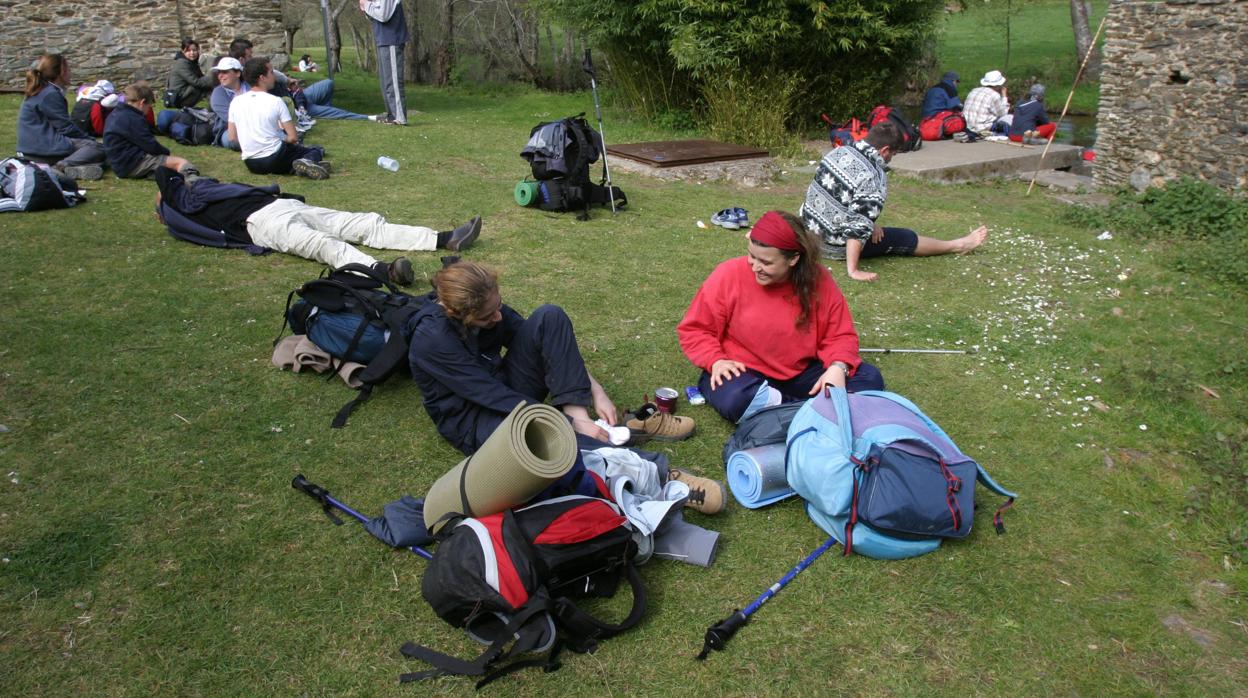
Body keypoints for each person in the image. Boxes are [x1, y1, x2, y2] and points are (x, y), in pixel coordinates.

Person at [678, 211, 884, 425]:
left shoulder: (819, 280)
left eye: (766, 262)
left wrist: (838, 367)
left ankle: (786, 413)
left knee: (869, 378)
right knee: (735, 399)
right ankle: (823, 412)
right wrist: (716, 360)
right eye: (752, 256)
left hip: (801, 373)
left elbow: (840, 334)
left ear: (794, 259)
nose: (755, 266)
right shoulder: (728, 274)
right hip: (743, 373)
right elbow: (696, 329)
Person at [153, 165, 482, 282]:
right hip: (260, 224)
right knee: (325, 247)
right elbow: (166, 173)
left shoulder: (203, 190)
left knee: (360, 223)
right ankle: (384, 272)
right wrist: (167, 199)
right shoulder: (182, 207)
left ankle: (444, 238)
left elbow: (183, 172)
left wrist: (190, 178)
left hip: (280, 205)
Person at [800, 121, 989, 282]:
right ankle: (958, 245)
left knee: (872, 227)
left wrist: (870, 224)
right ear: (884, 151)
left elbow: (832, 196)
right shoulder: (873, 176)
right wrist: (853, 270)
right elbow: (857, 227)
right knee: (903, 237)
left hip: (810, 236)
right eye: (894, 154)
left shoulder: (838, 152)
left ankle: (956, 244)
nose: (891, 159)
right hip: (833, 246)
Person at [228, 58, 330, 179]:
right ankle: (308, 163)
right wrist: (283, 140)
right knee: (315, 150)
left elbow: (233, 137)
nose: (274, 77)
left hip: (251, 163)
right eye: (271, 72)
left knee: (293, 152)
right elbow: (292, 137)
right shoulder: (276, 101)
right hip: (274, 158)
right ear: (262, 77)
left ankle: (302, 166)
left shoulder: (236, 102)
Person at [230, 38, 372, 122]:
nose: (252, 57)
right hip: (295, 105)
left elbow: (276, 74)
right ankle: (368, 118)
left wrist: (288, 80)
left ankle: (321, 110)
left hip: (297, 96)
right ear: (241, 59)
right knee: (338, 113)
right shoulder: (248, 81)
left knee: (328, 84)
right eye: (250, 55)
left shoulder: (256, 67)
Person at [16, 54, 107, 181]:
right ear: (62, 72)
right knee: (97, 148)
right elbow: (66, 128)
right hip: (41, 148)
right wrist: (90, 140)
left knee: (98, 154)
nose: (70, 73)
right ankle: (59, 168)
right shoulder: (50, 94)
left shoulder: (42, 90)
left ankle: (74, 169)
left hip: (31, 147)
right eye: (68, 69)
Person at [103, 83, 195, 179]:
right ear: (142, 103)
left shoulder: (118, 112)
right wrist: (166, 153)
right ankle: (194, 181)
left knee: (167, 166)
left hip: (120, 162)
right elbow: (150, 145)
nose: (149, 109)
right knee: (181, 163)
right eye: (149, 106)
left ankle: (160, 173)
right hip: (131, 164)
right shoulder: (133, 118)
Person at [361, 0, 410, 125]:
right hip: (383, 40)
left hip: (392, 39)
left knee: (393, 82)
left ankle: (399, 117)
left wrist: (366, 5)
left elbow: (383, 16)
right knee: (386, 82)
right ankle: (391, 115)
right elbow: (374, 16)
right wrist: (367, 7)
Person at [208, 57, 247, 149]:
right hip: (230, 129)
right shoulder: (218, 93)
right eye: (219, 72)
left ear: (238, 73)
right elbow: (229, 117)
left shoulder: (250, 87)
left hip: (258, 125)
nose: (220, 76)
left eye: (225, 72)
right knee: (230, 139)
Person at [166, 39, 217, 109]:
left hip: (184, 93)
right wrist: (215, 79)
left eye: (194, 50)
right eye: (188, 51)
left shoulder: (191, 62)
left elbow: (200, 77)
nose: (192, 53)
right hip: (178, 98)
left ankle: (216, 106)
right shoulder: (182, 63)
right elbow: (196, 82)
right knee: (204, 87)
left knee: (206, 85)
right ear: (183, 51)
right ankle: (216, 107)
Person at [963, 70, 1011, 135]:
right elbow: (1003, 114)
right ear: (999, 85)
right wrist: (1004, 96)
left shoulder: (973, 90)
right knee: (1008, 119)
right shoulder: (994, 95)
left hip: (966, 126)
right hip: (981, 128)